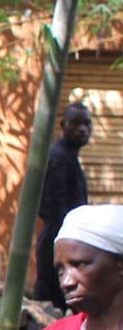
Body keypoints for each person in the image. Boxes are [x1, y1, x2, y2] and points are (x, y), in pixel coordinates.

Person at [34, 102, 94, 310]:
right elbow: (54, 207)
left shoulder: (69, 157)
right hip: (59, 242)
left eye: (87, 124)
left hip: (64, 242)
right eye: (75, 123)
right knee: (55, 304)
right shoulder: (59, 158)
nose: (82, 129)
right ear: (63, 125)